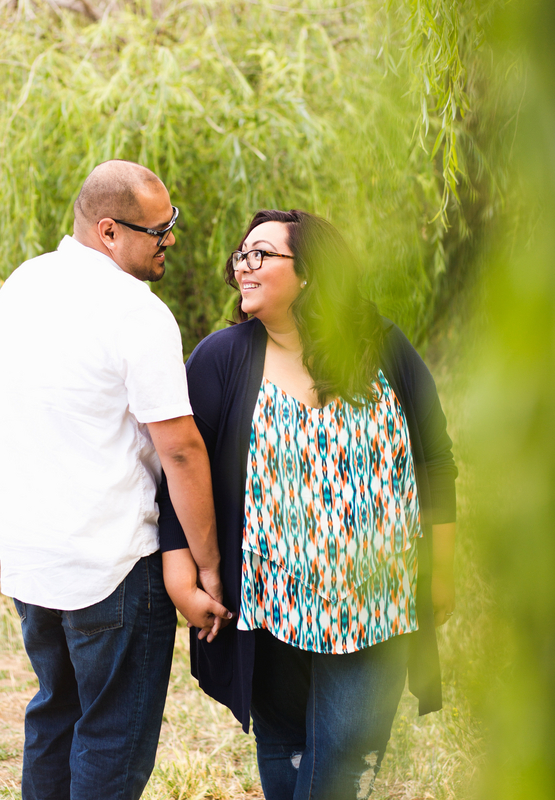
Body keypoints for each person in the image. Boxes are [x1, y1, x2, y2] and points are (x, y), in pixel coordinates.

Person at [160, 209, 457, 800]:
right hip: (269, 601)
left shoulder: (380, 346)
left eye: (262, 254)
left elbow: (436, 460)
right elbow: (179, 471)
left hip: (377, 599)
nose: (244, 266)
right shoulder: (220, 360)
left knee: (343, 752)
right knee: (284, 743)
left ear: (312, 274)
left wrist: (442, 572)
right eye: (241, 256)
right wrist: (179, 573)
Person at [0, 160, 229, 800]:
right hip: (113, 567)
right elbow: (179, 450)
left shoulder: (22, 285)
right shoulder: (135, 311)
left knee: (55, 717)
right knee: (112, 742)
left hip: (34, 558)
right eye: (160, 228)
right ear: (110, 231)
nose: (172, 238)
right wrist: (207, 566)